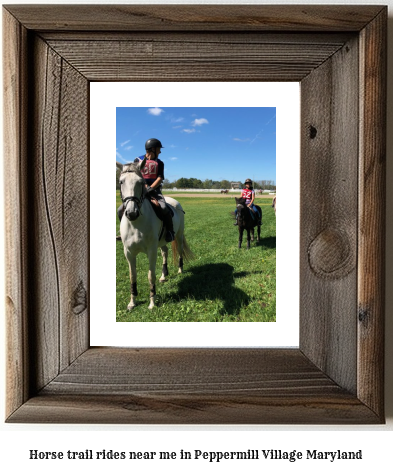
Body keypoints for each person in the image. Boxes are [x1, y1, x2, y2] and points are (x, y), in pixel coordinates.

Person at [117, 138, 175, 242]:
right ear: (152, 149)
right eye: (158, 149)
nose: (160, 151)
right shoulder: (137, 160)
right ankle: (123, 233)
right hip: (139, 190)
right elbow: (134, 175)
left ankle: (170, 231)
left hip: (155, 190)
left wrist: (151, 188)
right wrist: (143, 188)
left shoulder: (160, 163)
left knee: (163, 207)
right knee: (120, 210)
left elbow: (160, 178)